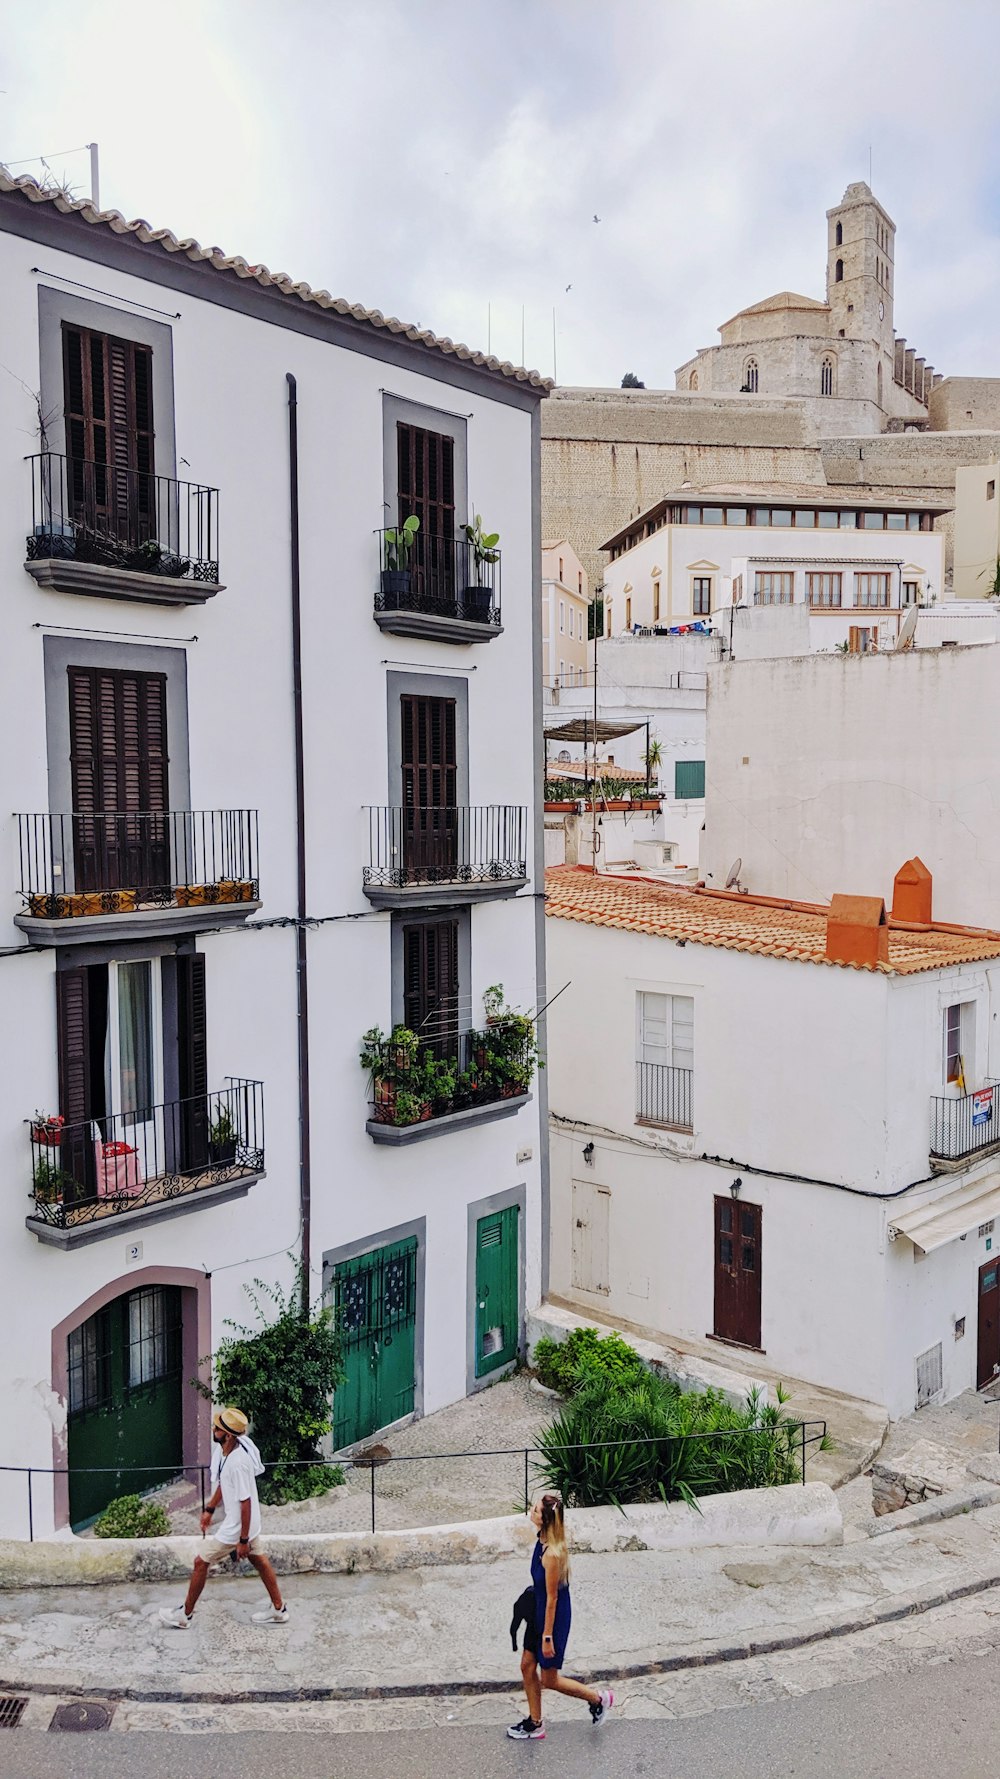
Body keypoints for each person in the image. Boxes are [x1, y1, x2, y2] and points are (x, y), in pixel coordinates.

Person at [159, 1407, 288, 1628]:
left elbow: (245, 1502)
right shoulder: (227, 1452)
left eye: (217, 1428)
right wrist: (209, 1509)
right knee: (260, 1560)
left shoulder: (237, 1463)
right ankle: (279, 1609)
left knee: (201, 1561)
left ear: (227, 1435)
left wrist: (243, 1540)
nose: (213, 1429)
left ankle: (185, 1616)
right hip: (249, 1523)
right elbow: (223, 1482)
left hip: (238, 1527)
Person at [507, 1491, 613, 1740]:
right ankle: (535, 1724)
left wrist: (546, 1636)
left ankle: (598, 1699)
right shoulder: (542, 1539)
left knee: (550, 1679)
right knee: (526, 1666)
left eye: (534, 1510)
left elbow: (553, 1599)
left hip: (551, 1619)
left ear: (544, 1520)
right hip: (538, 1610)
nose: (531, 1512)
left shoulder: (552, 1554)